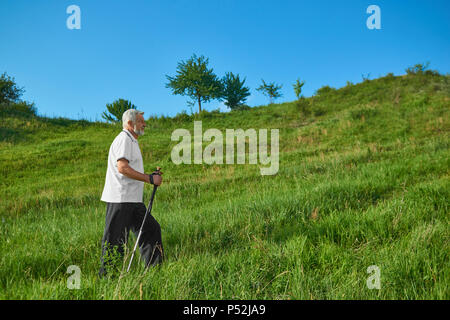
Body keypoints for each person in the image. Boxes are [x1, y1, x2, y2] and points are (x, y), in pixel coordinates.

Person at [99, 109, 163, 277]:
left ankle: (155, 272)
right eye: (141, 121)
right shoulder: (124, 139)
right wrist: (149, 179)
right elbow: (122, 168)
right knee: (115, 242)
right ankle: (107, 279)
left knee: (151, 229)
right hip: (120, 199)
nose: (144, 124)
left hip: (133, 200)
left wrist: (150, 176)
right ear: (130, 123)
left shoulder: (132, 141)